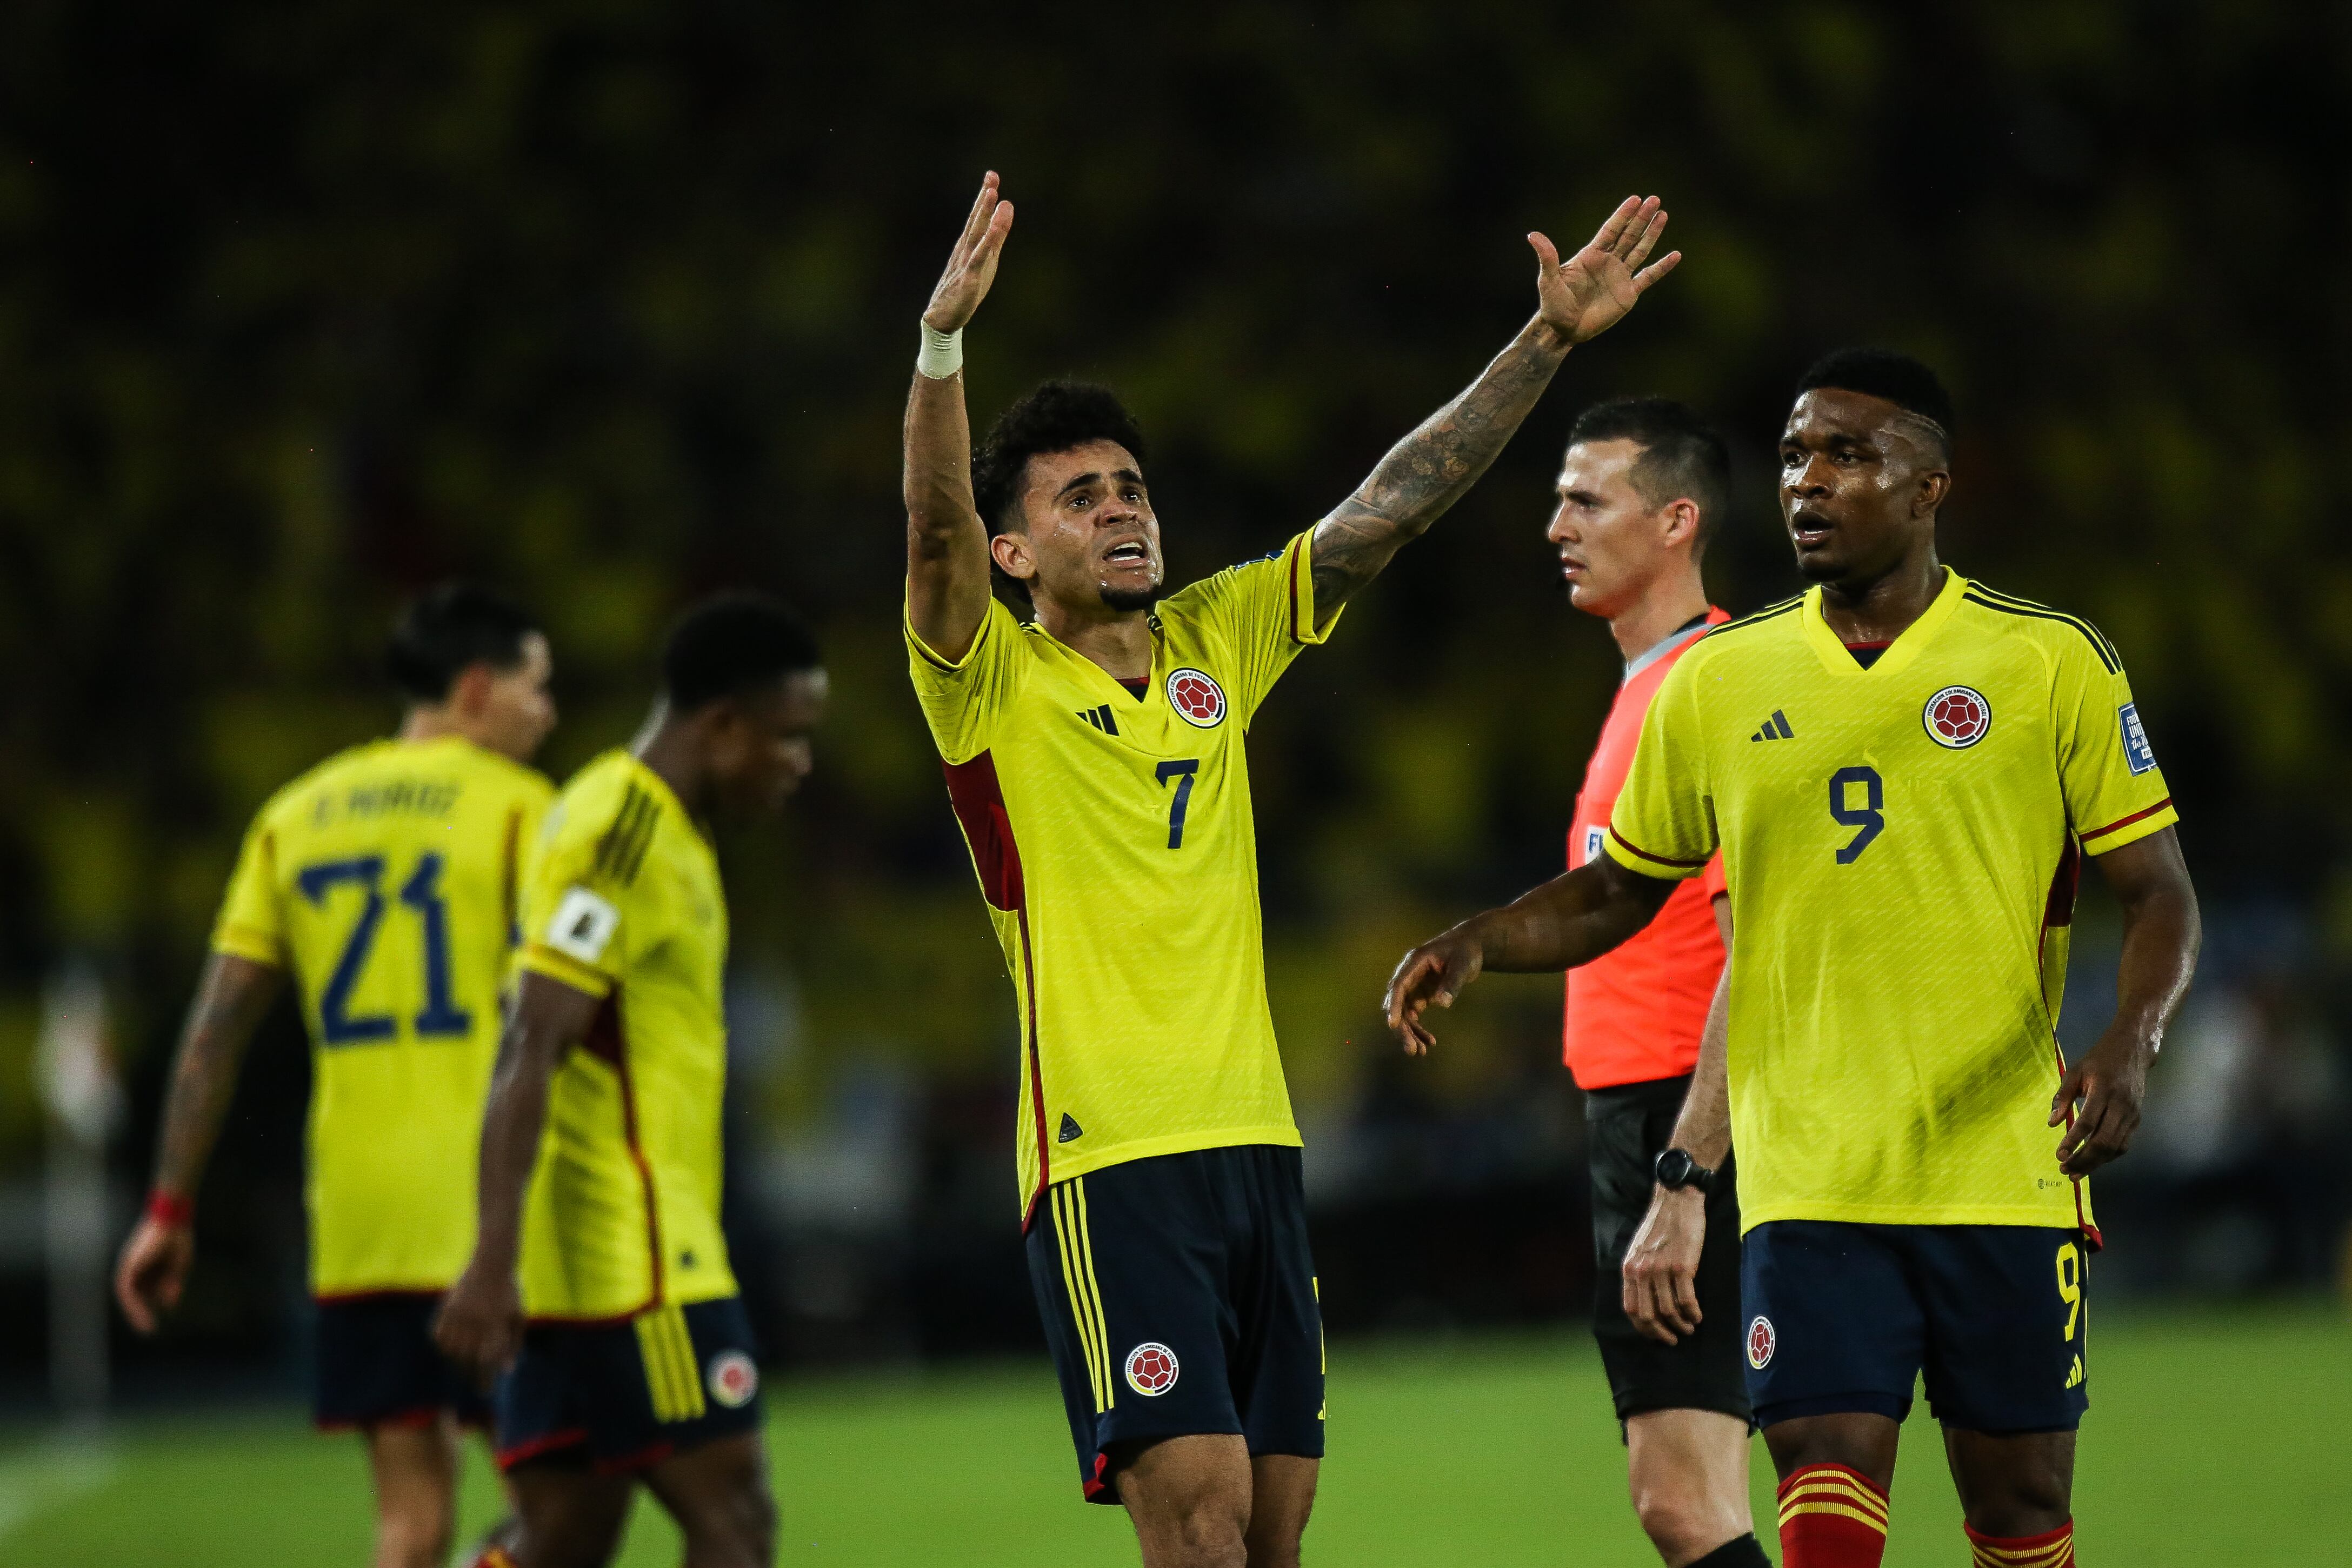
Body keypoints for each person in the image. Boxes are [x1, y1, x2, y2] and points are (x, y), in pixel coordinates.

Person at [898, 171, 1679, 1568]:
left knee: (1271, 1536)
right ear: (1017, 549)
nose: (1123, 509)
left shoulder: (1218, 639)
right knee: (1193, 1527)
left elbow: (1394, 503)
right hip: (1107, 1163)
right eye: (1079, 498)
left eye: (1131, 487)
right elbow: (932, 535)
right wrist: (943, 350)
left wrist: (1547, 342)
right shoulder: (987, 683)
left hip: (1255, 1149)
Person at [1384, 349, 2201, 1568]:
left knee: (2022, 1504)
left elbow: (2159, 893)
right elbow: (1619, 886)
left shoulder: (2047, 661)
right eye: (1792, 456)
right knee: (1821, 1474)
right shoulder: (1722, 678)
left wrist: (2130, 1042)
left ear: (1929, 483)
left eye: (1847, 455)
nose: (1807, 482)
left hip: (1998, 1164)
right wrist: (1482, 938)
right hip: (1807, 1173)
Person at [114, 583, 558, 1568]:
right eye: (537, 686)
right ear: (478, 689)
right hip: (496, 1222)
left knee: (408, 1525)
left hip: (359, 1223)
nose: (550, 711)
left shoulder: (295, 815)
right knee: (556, 1515)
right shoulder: (530, 814)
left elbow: (215, 1030)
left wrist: (168, 1208)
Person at [434, 593, 826, 1568]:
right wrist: (488, 1260)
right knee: (736, 1522)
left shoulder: (660, 831)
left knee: (563, 1536)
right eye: (789, 737)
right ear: (723, 723)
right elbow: (533, 1038)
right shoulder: (622, 833)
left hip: (588, 1268)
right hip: (639, 1266)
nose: (800, 764)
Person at [1548, 399, 1765, 1568]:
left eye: (1587, 499)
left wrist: (1686, 1172)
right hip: (1654, 1110)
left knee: (1682, 1498)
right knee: (1711, 1490)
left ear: (1677, 519)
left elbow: (1757, 945)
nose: (1556, 525)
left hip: (1688, 1112)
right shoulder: (1655, 680)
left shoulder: (1706, 689)